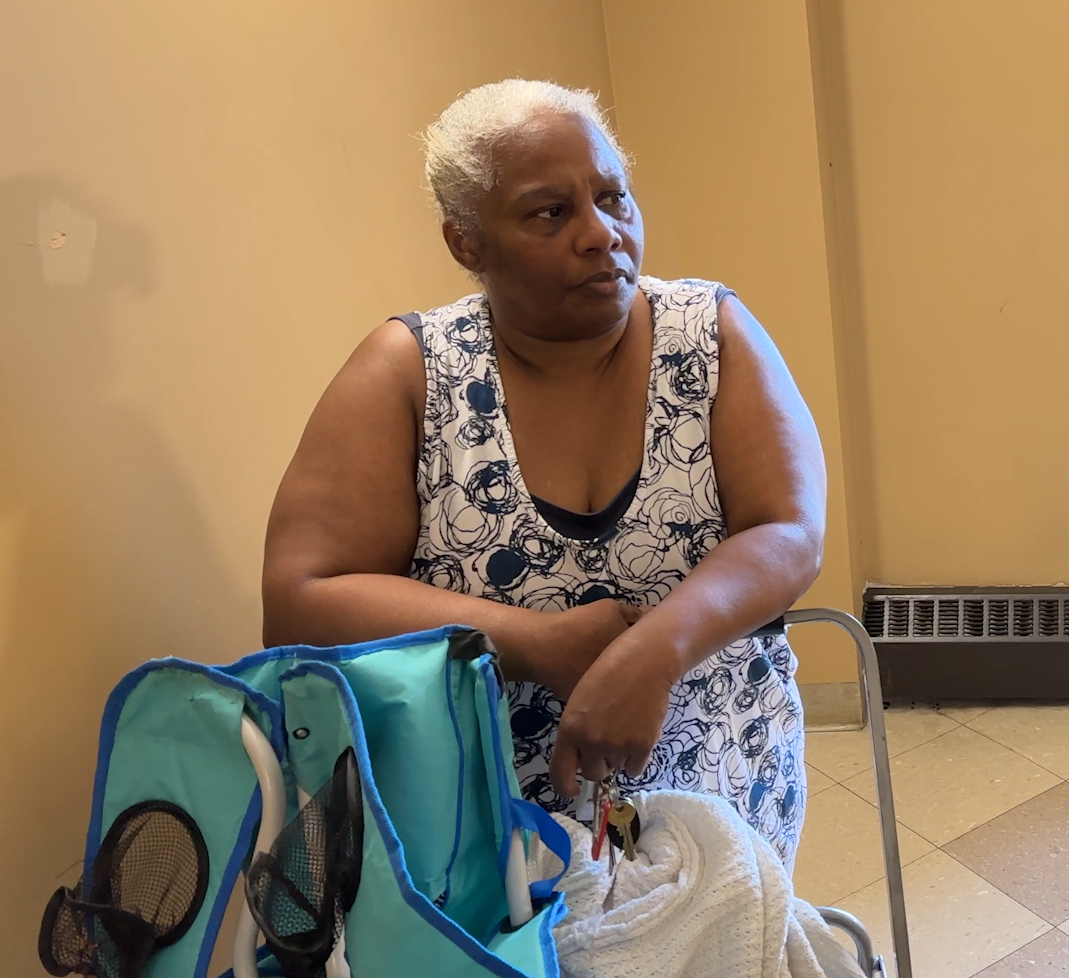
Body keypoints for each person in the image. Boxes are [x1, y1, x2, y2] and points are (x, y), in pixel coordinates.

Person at [261, 79, 827, 863]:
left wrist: (651, 653)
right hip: (476, 829)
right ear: (467, 242)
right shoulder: (408, 373)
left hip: (717, 789)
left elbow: (789, 530)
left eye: (612, 196)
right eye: (549, 212)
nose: (600, 234)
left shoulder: (711, 333)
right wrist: (535, 642)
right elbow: (302, 598)